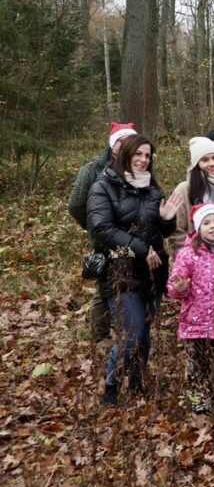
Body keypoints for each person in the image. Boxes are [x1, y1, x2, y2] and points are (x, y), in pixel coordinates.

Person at [87, 134, 182, 405]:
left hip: (152, 272)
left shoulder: (152, 189)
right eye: (138, 154)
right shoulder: (103, 186)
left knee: (145, 333)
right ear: (124, 154)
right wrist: (142, 248)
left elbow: (160, 230)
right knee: (133, 332)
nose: (143, 160)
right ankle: (110, 386)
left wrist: (167, 220)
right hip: (119, 273)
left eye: (147, 155)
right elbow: (102, 229)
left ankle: (139, 384)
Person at [166, 203, 214, 414]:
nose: (213, 226)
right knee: (196, 362)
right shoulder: (188, 254)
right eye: (207, 223)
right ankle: (198, 399)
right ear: (199, 228)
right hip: (195, 320)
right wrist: (180, 289)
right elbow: (173, 286)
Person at [71, 122, 137, 341]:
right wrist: (96, 226)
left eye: (129, 141)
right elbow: (76, 205)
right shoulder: (92, 170)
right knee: (105, 283)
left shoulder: (138, 166)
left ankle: (131, 329)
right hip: (105, 237)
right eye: (120, 141)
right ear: (112, 144)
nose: (124, 145)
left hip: (132, 236)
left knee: (130, 280)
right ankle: (101, 336)